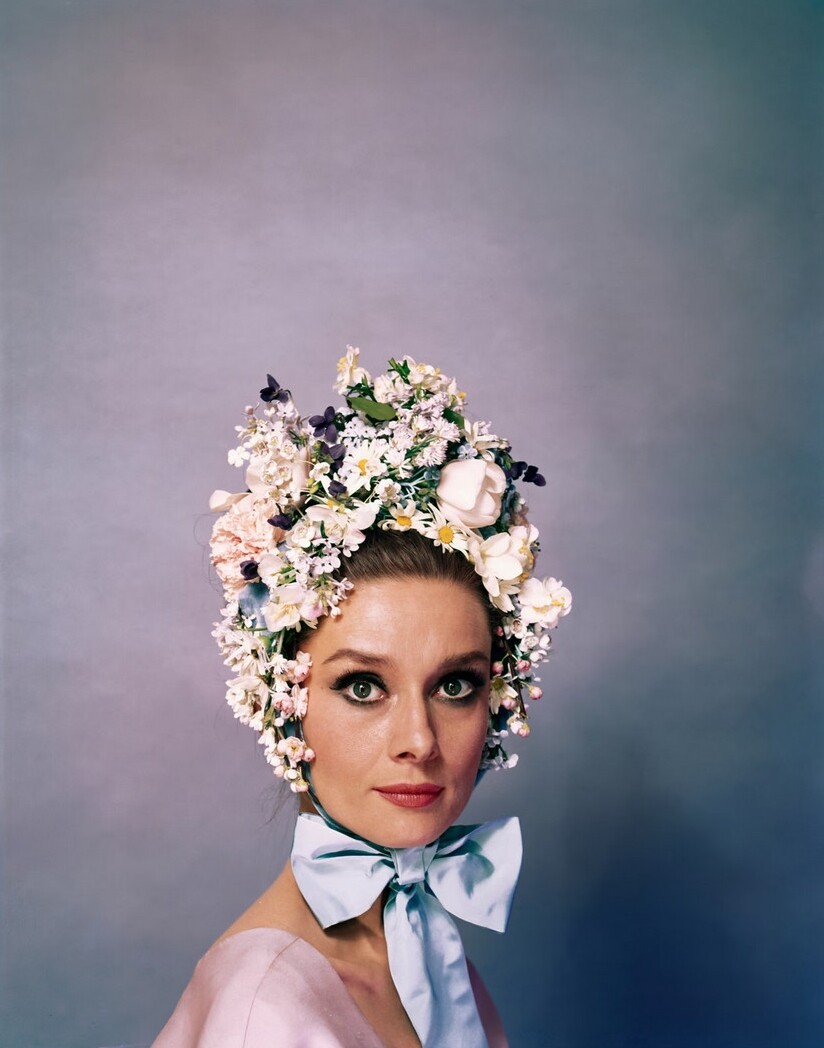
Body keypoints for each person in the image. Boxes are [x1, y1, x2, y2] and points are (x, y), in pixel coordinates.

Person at [153, 349, 571, 1048]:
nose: (420, 741)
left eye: (455, 686)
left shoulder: (436, 965)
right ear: (282, 702)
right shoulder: (265, 1013)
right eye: (363, 686)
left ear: (497, 699)